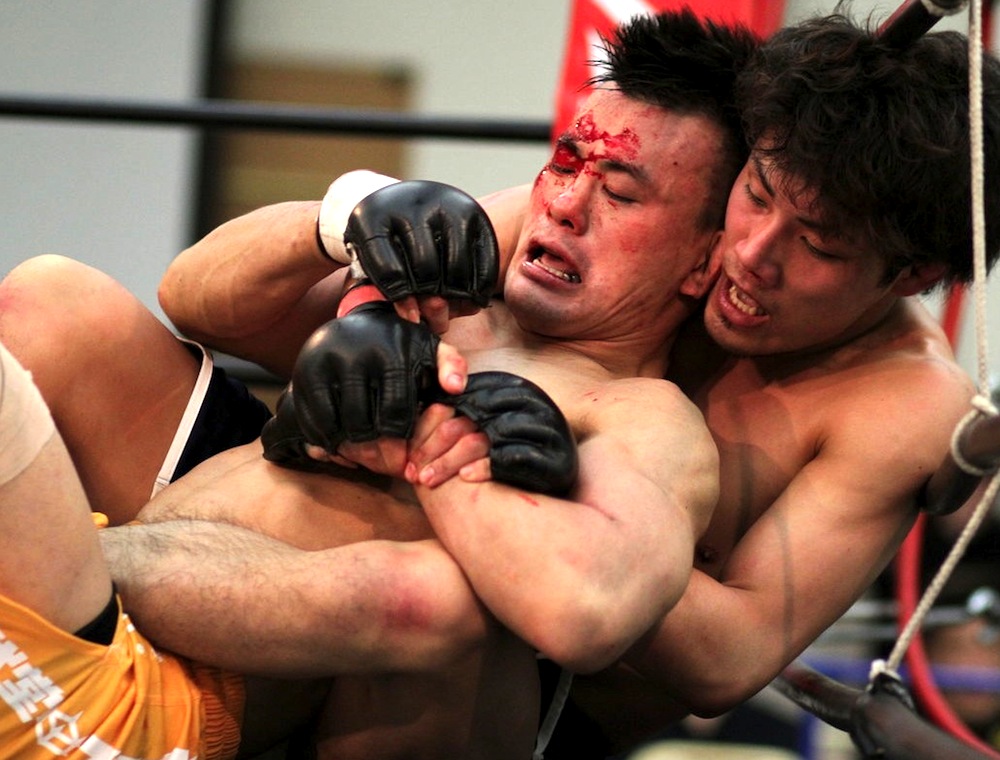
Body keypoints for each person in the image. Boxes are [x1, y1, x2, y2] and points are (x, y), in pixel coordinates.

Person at [155, 11, 1000, 758]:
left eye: (816, 245)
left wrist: (545, 505)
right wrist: (348, 216)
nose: (751, 253)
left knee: (439, 590)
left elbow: (727, 660)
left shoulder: (900, 402)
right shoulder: (602, 203)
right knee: (78, 313)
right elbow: (230, 312)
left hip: (519, 689)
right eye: (756, 193)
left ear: (911, 275)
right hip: (319, 567)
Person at [0, 10, 756, 759]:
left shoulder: (639, 415)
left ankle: (54, 559)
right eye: (564, 163)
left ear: (703, 262)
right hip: (124, 590)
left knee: (447, 605)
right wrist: (341, 217)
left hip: (214, 680)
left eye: (619, 193)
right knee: (51, 299)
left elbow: (587, 615)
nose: (563, 206)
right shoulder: (451, 293)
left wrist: (430, 441)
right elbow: (192, 298)